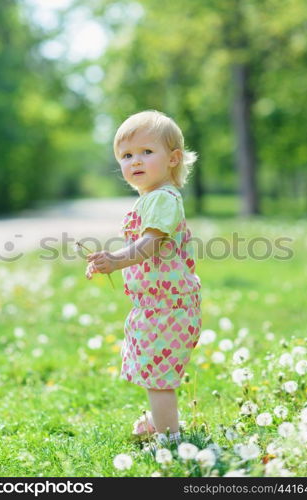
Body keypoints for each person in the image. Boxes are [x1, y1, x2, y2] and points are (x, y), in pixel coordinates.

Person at [85, 110, 202, 449]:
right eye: (126, 155)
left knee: (158, 378)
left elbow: (149, 245)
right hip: (156, 305)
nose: (135, 161)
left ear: (173, 159)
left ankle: (169, 442)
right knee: (154, 369)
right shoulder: (152, 199)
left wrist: (115, 260)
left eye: (146, 152)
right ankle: (158, 421)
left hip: (168, 306)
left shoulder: (163, 200)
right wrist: (105, 262)